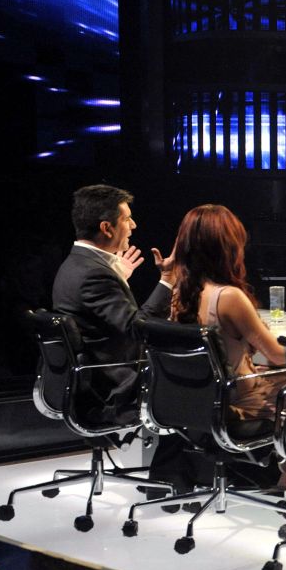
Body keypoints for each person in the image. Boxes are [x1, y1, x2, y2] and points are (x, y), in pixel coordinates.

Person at [51, 184, 184, 489]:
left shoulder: (75, 264)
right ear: (106, 227)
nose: (134, 226)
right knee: (193, 383)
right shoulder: (94, 274)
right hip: (111, 387)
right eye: (127, 219)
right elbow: (139, 327)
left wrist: (117, 276)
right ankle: (169, 482)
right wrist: (167, 280)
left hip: (89, 380)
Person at [168, 205, 286, 420]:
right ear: (228, 246)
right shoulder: (229, 297)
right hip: (237, 403)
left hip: (198, 402)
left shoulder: (178, 294)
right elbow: (277, 355)